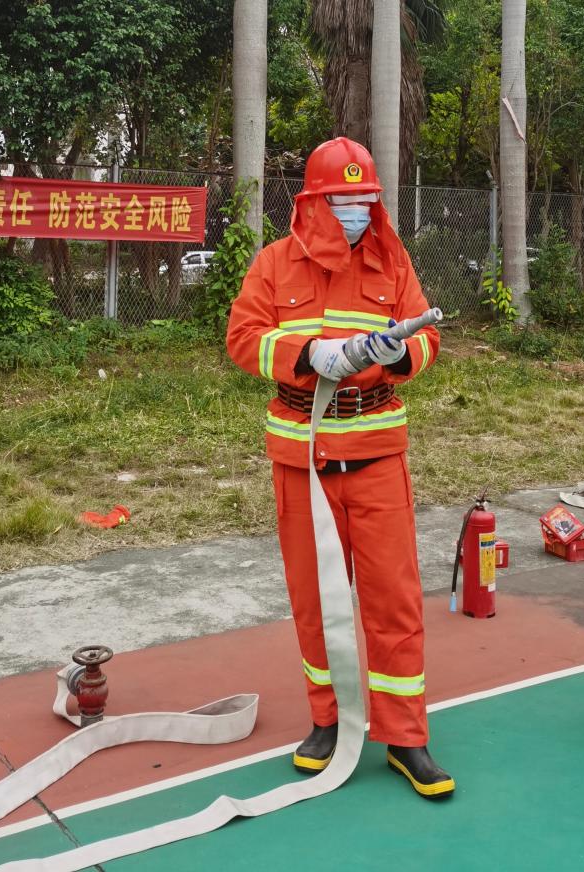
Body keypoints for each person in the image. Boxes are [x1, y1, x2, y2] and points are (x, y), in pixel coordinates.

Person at [226, 137, 453, 799]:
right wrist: (309, 355)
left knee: (394, 600)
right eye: (343, 201)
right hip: (303, 458)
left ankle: (405, 736)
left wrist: (396, 354)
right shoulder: (274, 263)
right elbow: (243, 338)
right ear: (313, 204)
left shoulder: (391, 261)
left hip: (377, 453)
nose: (356, 212)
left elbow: (428, 338)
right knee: (316, 600)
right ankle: (327, 721)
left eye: (365, 200)